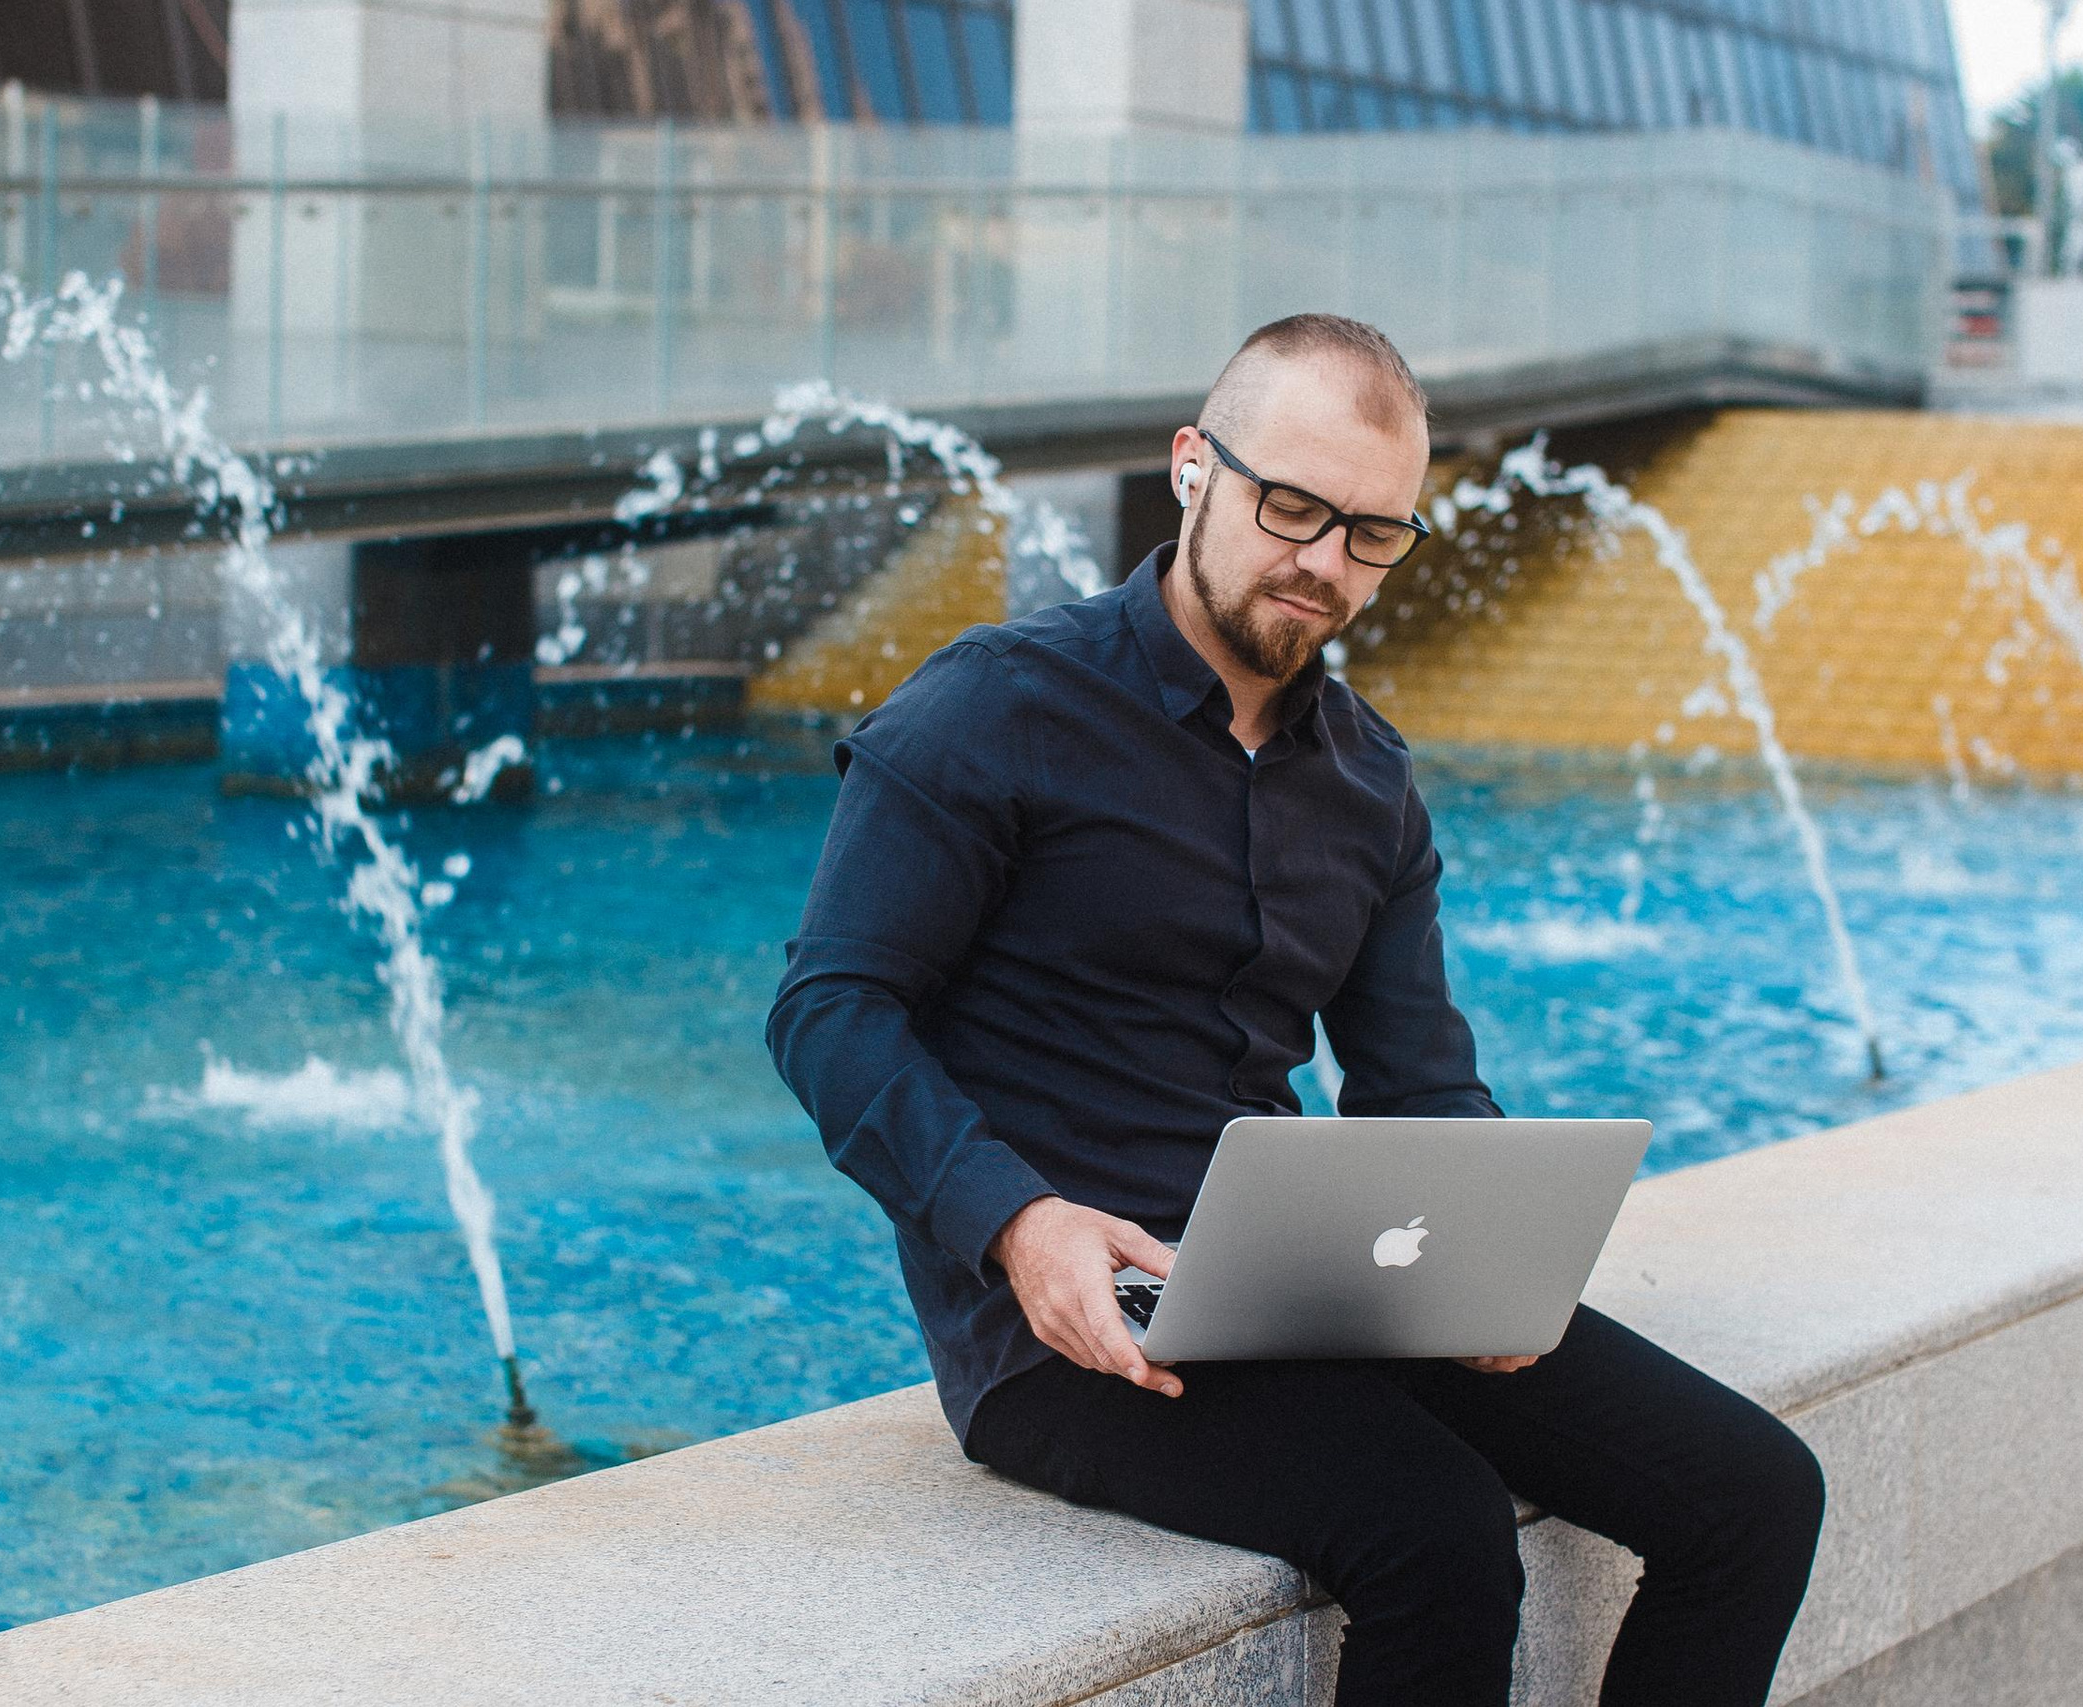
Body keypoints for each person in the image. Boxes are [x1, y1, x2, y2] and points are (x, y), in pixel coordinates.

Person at [767, 313, 1824, 1706]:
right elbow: (830, 1009)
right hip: (1067, 1323)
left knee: (1756, 1496)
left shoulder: (1371, 781)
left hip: (1301, 1282)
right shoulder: (993, 706)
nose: (1326, 562)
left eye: (1373, 533)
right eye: (1293, 507)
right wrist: (1016, 1222)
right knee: (1437, 1534)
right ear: (1193, 466)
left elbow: (1419, 1082)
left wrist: (1493, 1248)